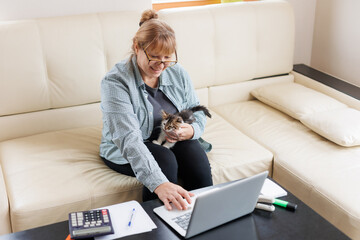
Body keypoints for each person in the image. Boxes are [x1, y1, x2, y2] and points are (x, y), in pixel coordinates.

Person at [100, 9, 213, 211]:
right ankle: (157, 227)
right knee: (164, 159)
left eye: (167, 58)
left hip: (165, 137)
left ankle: (206, 218)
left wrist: (192, 131)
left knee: (194, 152)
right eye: (154, 57)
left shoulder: (177, 72)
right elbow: (128, 139)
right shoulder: (115, 82)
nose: (162, 65)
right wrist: (159, 183)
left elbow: (197, 111)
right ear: (137, 47)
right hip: (127, 145)